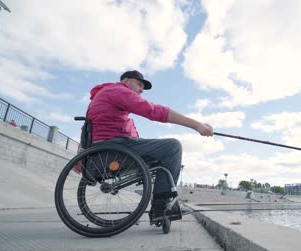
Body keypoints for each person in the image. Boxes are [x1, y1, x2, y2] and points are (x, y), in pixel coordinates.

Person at [85, 70, 213, 220]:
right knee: (172, 147)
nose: (141, 90)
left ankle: (163, 202)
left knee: (160, 151)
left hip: (105, 150)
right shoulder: (117, 90)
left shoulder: (107, 94)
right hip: (114, 149)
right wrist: (196, 125)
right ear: (126, 81)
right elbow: (153, 111)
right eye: (139, 84)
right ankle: (162, 207)